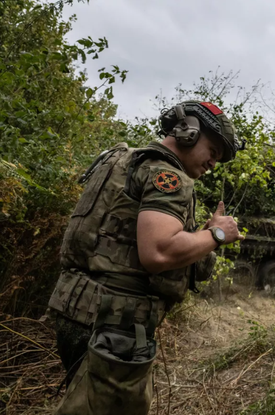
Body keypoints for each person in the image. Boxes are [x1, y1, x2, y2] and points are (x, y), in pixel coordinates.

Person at [46, 101, 245, 415]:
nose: (213, 163)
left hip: (77, 309)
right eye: (213, 150)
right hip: (115, 322)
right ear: (188, 132)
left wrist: (199, 236)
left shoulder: (122, 159)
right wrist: (217, 235)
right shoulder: (168, 176)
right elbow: (158, 251)